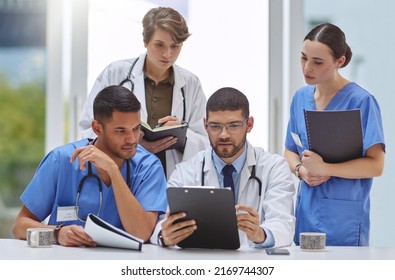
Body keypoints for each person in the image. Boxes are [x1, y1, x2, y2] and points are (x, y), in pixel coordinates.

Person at [12, 85, 167, 246]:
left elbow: (142, 233)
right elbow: (19, 227)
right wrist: (56, 234)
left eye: (136, 129)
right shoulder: (61, 160)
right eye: (120, 131)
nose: (132, 139)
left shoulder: (149, 167)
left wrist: (113, 171)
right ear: (97, 128)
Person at [151, 87, 295, 248]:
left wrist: (260, 234)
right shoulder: (185, 171)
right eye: (215, 126)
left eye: (233, 125)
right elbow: (160, 223)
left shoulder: (274, 167)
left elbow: (283, 225)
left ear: (249, 124)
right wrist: (165, 236)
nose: (224, 134)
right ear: (205, 125)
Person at [284, 23, 385, 246]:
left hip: (344, 220)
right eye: (303, 58)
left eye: (317, 62)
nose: (307, 68)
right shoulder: (300, 98)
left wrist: (325, 169)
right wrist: (301, 171)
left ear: (339, 62)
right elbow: (290, 151)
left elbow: (376, 165)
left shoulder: (361, 102)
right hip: (306, 213)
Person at [79, 7, 209, 177]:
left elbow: (206, 142)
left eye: (175, 46)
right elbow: (89, 129)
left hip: (169, 179)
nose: (167, 53)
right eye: (159, 45)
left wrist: (183, 134)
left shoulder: (190, 84)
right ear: (146, 41)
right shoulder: (116, 73)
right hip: (123, 175)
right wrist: (133, 146)